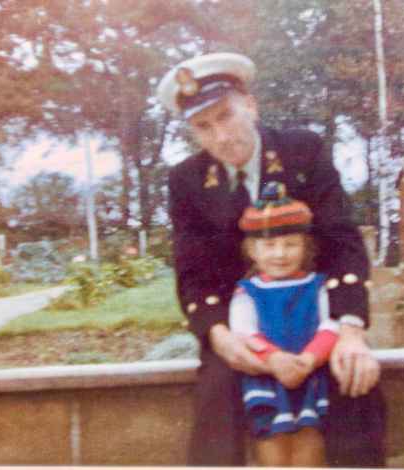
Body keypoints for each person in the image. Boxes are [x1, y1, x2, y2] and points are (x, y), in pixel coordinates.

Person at [157, 52, 386, 467]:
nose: (221, 137)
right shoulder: (187, 179)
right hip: (240, 327)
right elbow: (193, 273)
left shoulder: (302, 152)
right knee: (218, 392)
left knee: (354, 379)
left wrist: (351, 331)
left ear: (250, 105)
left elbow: (340, 240)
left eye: (226, 116)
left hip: (311, 318)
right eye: (203, 127)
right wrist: (221, 339)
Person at [231, 181, 340, 466]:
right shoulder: (247, 292)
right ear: (253, 251)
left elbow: (331, 325)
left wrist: (308, 360)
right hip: (268, 378)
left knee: (309, 444)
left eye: (290, 244)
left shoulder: (317, 286)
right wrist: (275, 358)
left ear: (305, 247)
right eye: (269, 245)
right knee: (272, 445)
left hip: (309, 374)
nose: (280, 254)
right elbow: (244, 332)